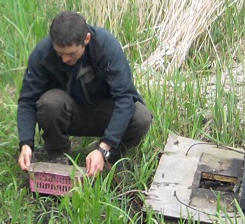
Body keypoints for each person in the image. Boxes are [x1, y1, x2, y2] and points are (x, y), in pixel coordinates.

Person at [16, 11, 153, 177]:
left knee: (141, 117)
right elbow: (27, 101)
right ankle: (57, 152)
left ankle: (111, 157)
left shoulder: (107, 47)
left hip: (105, 111)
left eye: (71, 53)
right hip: (69, 111)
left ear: (86, 39)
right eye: (60, 54)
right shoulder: (42, 53)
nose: (65, 59)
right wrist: (25, 143)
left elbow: (124, 99)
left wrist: (104, 147)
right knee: (49, 103)